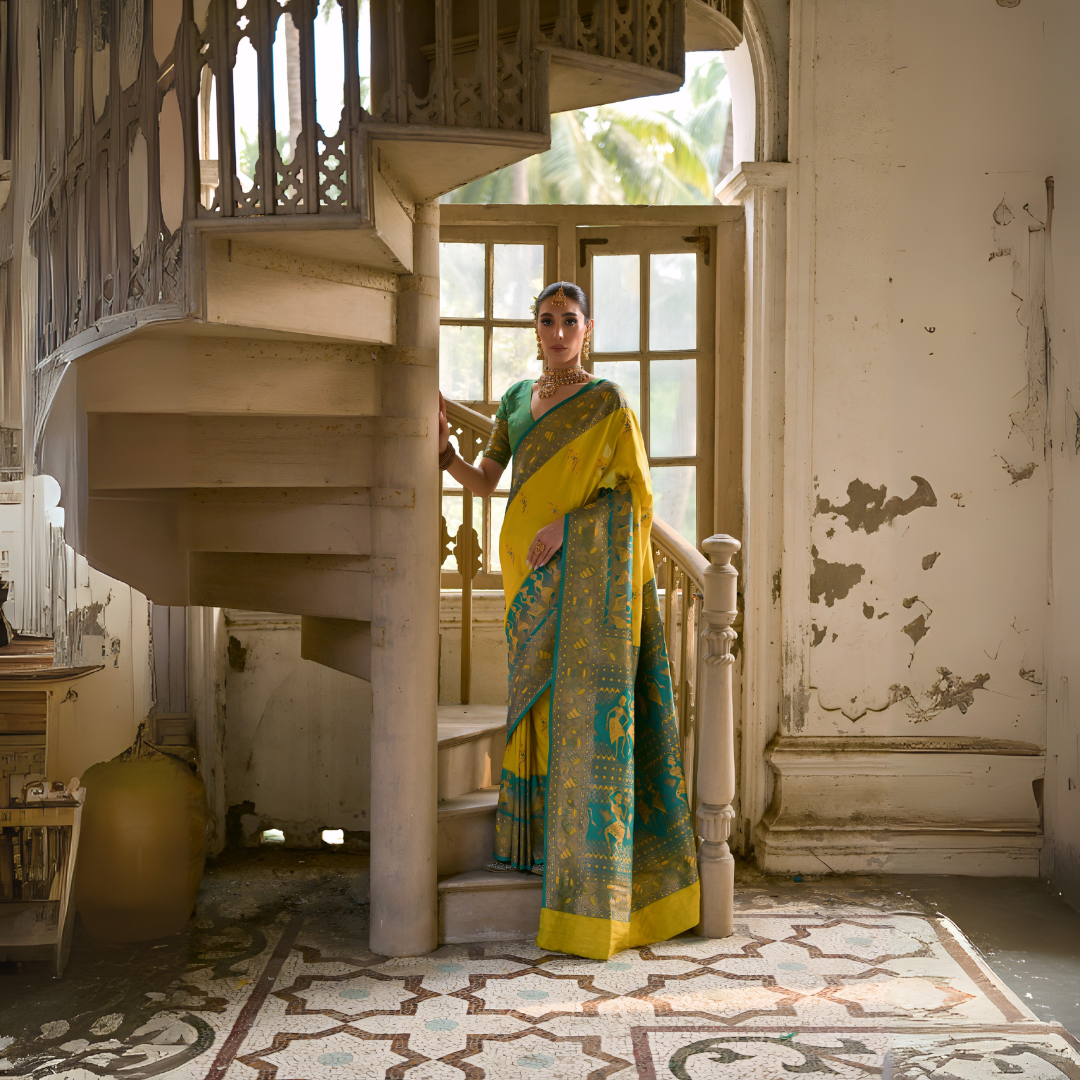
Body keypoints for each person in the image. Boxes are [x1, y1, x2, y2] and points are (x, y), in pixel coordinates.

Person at [437, 281, 699, 960]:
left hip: (573, 563)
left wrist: (568, 528)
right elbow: (486, 480)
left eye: (570, 321)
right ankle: (530, 848)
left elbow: (631, 496)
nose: (558, 332)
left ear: (588, 329)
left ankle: (577, 854)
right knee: (531, 699)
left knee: (573, 705)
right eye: (548, 320)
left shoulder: (607, 402)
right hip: (521, 567)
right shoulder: (515, 401)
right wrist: (445, 457)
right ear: (536, 328)